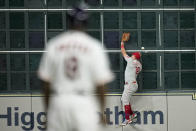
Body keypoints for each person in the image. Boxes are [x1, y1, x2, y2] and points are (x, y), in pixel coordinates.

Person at [38, 3, 114, 131]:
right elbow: (101, 84)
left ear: (68, 22)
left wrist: (47, 113)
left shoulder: (54, 44)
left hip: (59, 101)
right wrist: (103, 111)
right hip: (83, 102)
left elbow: (46, 83)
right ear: (87, 22)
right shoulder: (94, 46)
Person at [120, 33, 142, 126]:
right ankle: (132, 115)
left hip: (130, 84)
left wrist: (122, 42)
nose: (132, 55)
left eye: (133, 55)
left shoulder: (131, 61)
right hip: (133, 84)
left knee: (124, 100)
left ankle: (127, 119)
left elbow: (123, 52)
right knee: (124, 99)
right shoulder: (139, 65)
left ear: (134, 57)